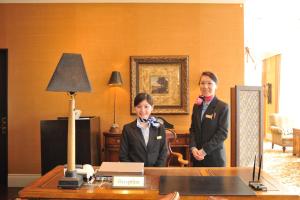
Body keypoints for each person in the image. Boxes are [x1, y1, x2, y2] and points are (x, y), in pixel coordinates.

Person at [189, 71, 229, 167]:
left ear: (216, 86)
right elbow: (193, 129)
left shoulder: (222, 107)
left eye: (209, 83)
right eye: (202, 83)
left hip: (215, 159)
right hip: (197, 158)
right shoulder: (196, 106)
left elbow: (222, 133)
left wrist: (204, 151)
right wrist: (193, 148)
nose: (205, 86)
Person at [119, 93, 167, 167]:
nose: (142, 110)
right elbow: (123, 155)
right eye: (139, 106)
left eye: (146, 106)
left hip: (155, 171)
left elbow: (163, 152)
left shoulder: (159, 127)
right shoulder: (127, 129)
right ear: (135, 108)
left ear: (152, 108)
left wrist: (156, 170)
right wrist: (133, 170)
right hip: (134, 173)